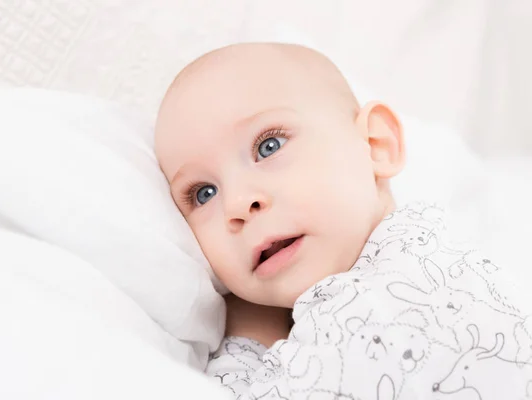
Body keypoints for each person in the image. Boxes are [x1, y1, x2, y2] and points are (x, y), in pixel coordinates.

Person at [155, 43, 532, 399]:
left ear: (374, 144)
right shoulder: (429, 256)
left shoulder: (365, 310)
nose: (237, 203)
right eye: (204, 192)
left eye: (268, 146)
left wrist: (248, 333)